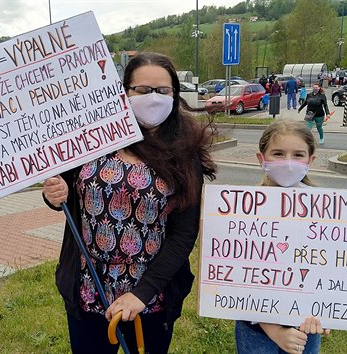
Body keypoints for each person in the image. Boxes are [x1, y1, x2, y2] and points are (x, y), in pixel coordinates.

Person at [42, 52, 217, 354]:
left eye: (163, 91)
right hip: (89, 288)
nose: (153, 98)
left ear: (175, 95)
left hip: (151, 294)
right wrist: (53, 196)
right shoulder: (92, 139)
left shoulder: (184, 152)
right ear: (124, 92)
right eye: (143, 90)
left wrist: (143, 293)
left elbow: (184, 233)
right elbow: (66, 192)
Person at [236, 120, 330, 354]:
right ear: (262, 159)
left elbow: (331, 269)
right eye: (278, 153)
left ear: (311, 160)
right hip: (256, 330)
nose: (288, 162)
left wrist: (328, 312)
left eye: (298, 155)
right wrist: (274, 331)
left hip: (306, 327)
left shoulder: (327, 210)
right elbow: (237, 276)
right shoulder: (241, 211)